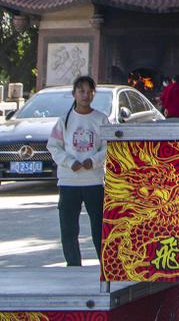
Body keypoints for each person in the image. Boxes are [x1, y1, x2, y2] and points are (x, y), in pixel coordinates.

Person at [46, 75, 109, 266]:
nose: (85, 95)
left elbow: (109, 146)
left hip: (94, 181)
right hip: (69, 181)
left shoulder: (101, 119)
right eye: (81, 91)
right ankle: (73, 265)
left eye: (89, 91)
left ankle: (104, 266)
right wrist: (68, 162)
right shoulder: (64, 120)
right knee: (69, 229)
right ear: (74, 93)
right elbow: (54, 146)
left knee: (99, 227)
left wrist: (94, 161)